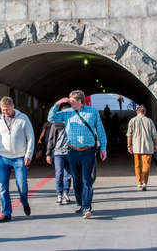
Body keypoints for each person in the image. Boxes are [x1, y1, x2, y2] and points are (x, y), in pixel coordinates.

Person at [48, 90, 107, 219]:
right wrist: (58, 103)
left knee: (87, 179)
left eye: (72, 101)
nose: (70, 103)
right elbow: (51, 118)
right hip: (72, 151)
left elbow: (100, 130)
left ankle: (87, 207)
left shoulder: (93, 112)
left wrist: (103, 148)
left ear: (80, 101)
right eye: (69, 101)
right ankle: (80, 203)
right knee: (77, 179)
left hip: (88, 151)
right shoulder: (67, 113)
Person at [0, 96, 35, 223]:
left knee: (22, 184)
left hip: (19, 157)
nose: (5, 112)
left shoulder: (23, 118)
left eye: (7, 110)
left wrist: (29, 154)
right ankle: (6, 213)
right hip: (3, 157)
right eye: (3, 110)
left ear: (12, 106)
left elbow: (30, 137)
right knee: (3, 187)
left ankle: (24, 201)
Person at [127, 105, 157, 191]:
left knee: (137, 165)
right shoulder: (149, 121)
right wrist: (155, 145)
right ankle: (145, 182)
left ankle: (139, 182)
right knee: (146, 165)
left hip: (136, 146)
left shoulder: (132, 121)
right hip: (148, 146)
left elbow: (129, 135)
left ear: (137, 112)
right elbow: (154, 135)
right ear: (144, 112)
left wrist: (129, 146)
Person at [46, 102, 72, 205]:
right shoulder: (55, 124)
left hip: (70, 152)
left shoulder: (73, 123)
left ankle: (66, 193)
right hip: (58, 153)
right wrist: (48, 153)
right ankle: (59, 194)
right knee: (59, 173)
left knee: (68, 175)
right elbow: (51, 139)